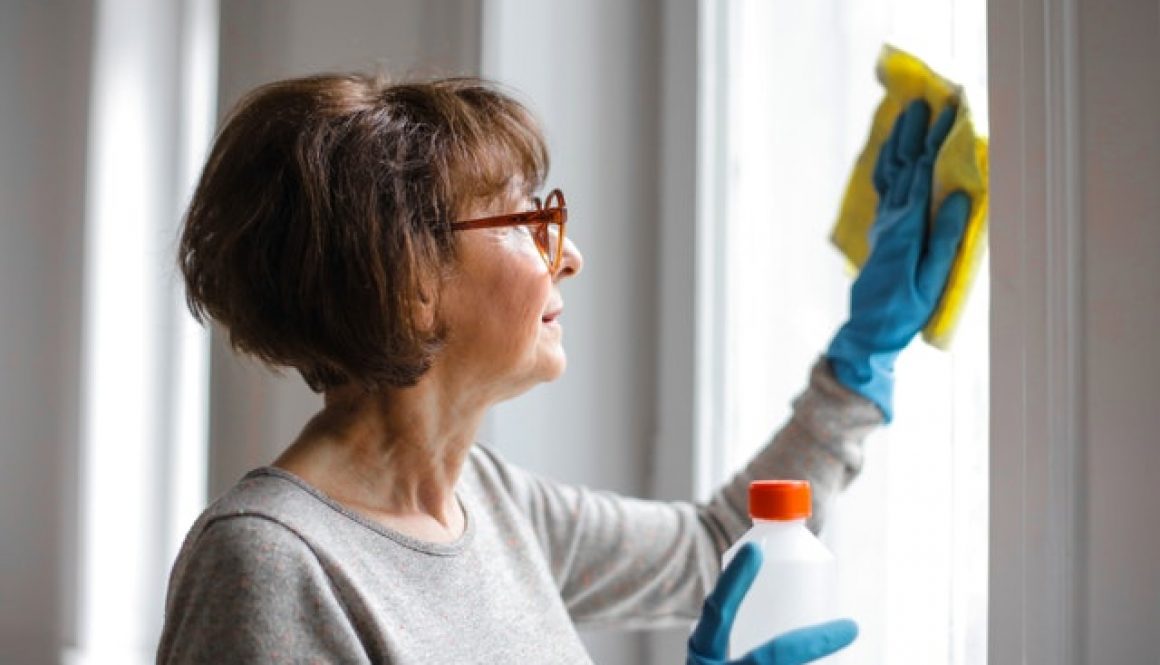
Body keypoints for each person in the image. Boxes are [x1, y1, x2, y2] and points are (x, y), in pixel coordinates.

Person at [157, 73, 968, 664]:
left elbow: (717, 548)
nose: (570, 255)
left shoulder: (495, 503)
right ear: (408, 283)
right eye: (527, 219)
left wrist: (864, 355)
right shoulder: (270, 565)